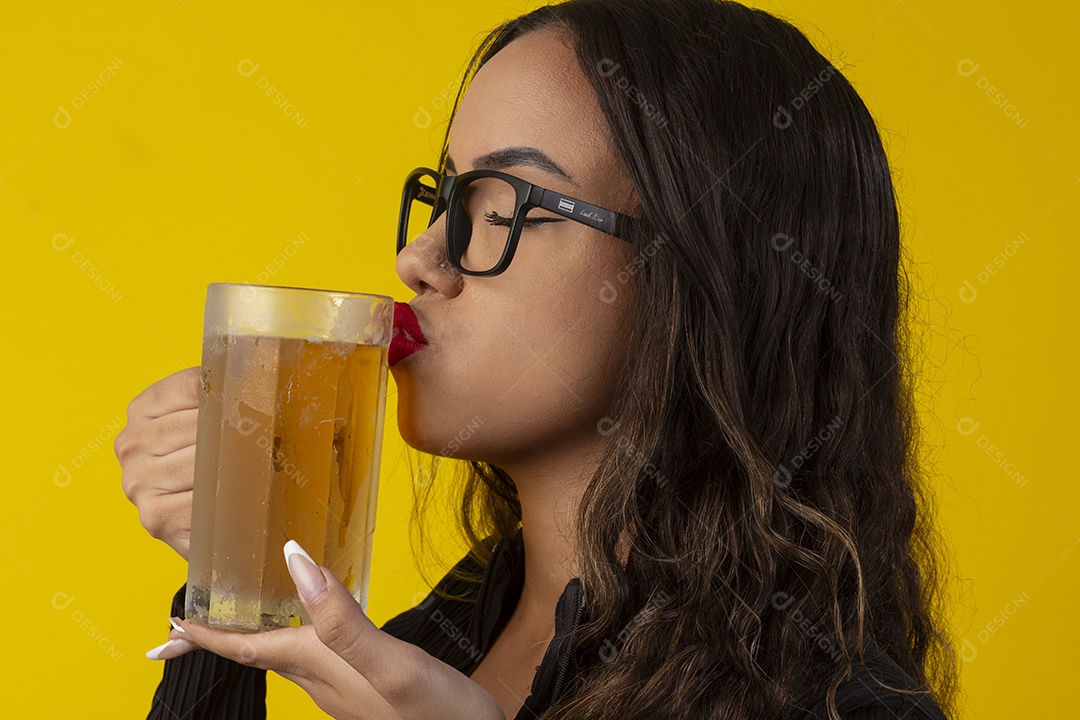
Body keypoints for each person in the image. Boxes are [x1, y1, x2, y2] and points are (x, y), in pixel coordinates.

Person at [115, 0, 961, 718]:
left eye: (501, 205)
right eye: (446, 193)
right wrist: (239, 566)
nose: (419, 258)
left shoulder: (852, 705)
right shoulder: (444, 634)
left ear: (701, 274)